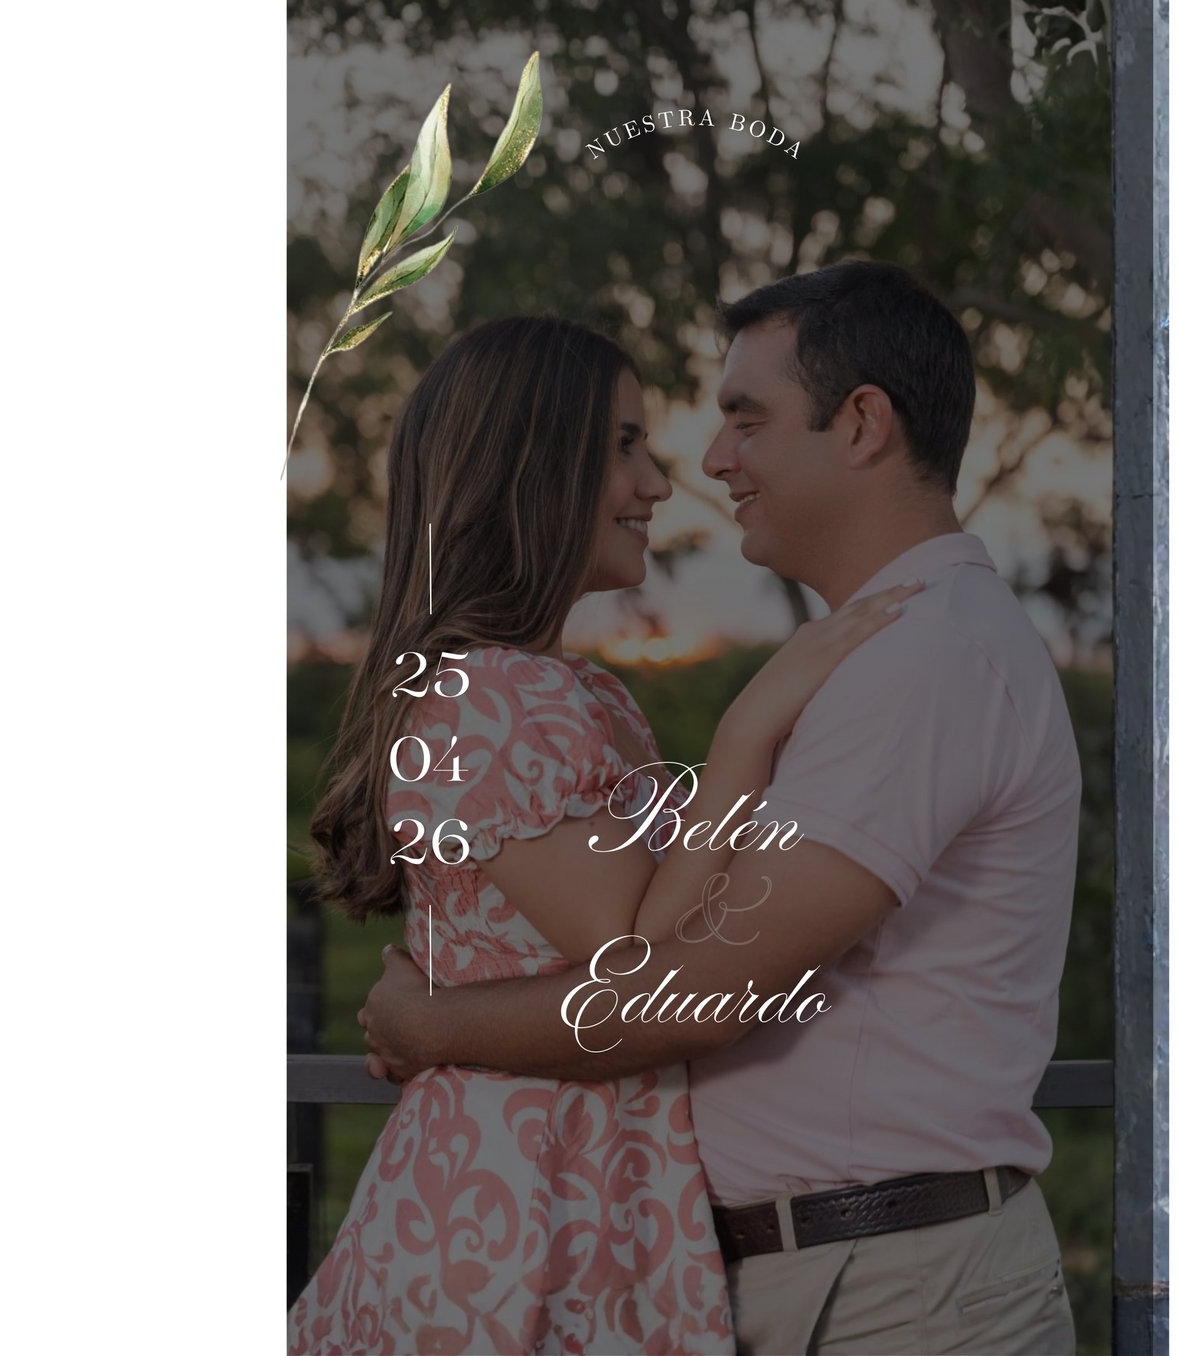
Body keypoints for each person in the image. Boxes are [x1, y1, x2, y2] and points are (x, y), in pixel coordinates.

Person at [360, 262, 1084, 1354]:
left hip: (888, 1290)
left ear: (861, 424)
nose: (704, 465)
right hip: (798, 1271)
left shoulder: (922, 659)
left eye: (745, 419)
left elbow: (687, 993)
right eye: (633, 444)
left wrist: (429, 1026)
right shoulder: (873, 656)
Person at [287, 313, 921, 1355]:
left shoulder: (572, 695)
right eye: (622, 447)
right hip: (519, 1209)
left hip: (591, 1185)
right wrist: (750, 726)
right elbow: (639, 947)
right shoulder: (488, 699)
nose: (657, 484)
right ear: (532, 470)